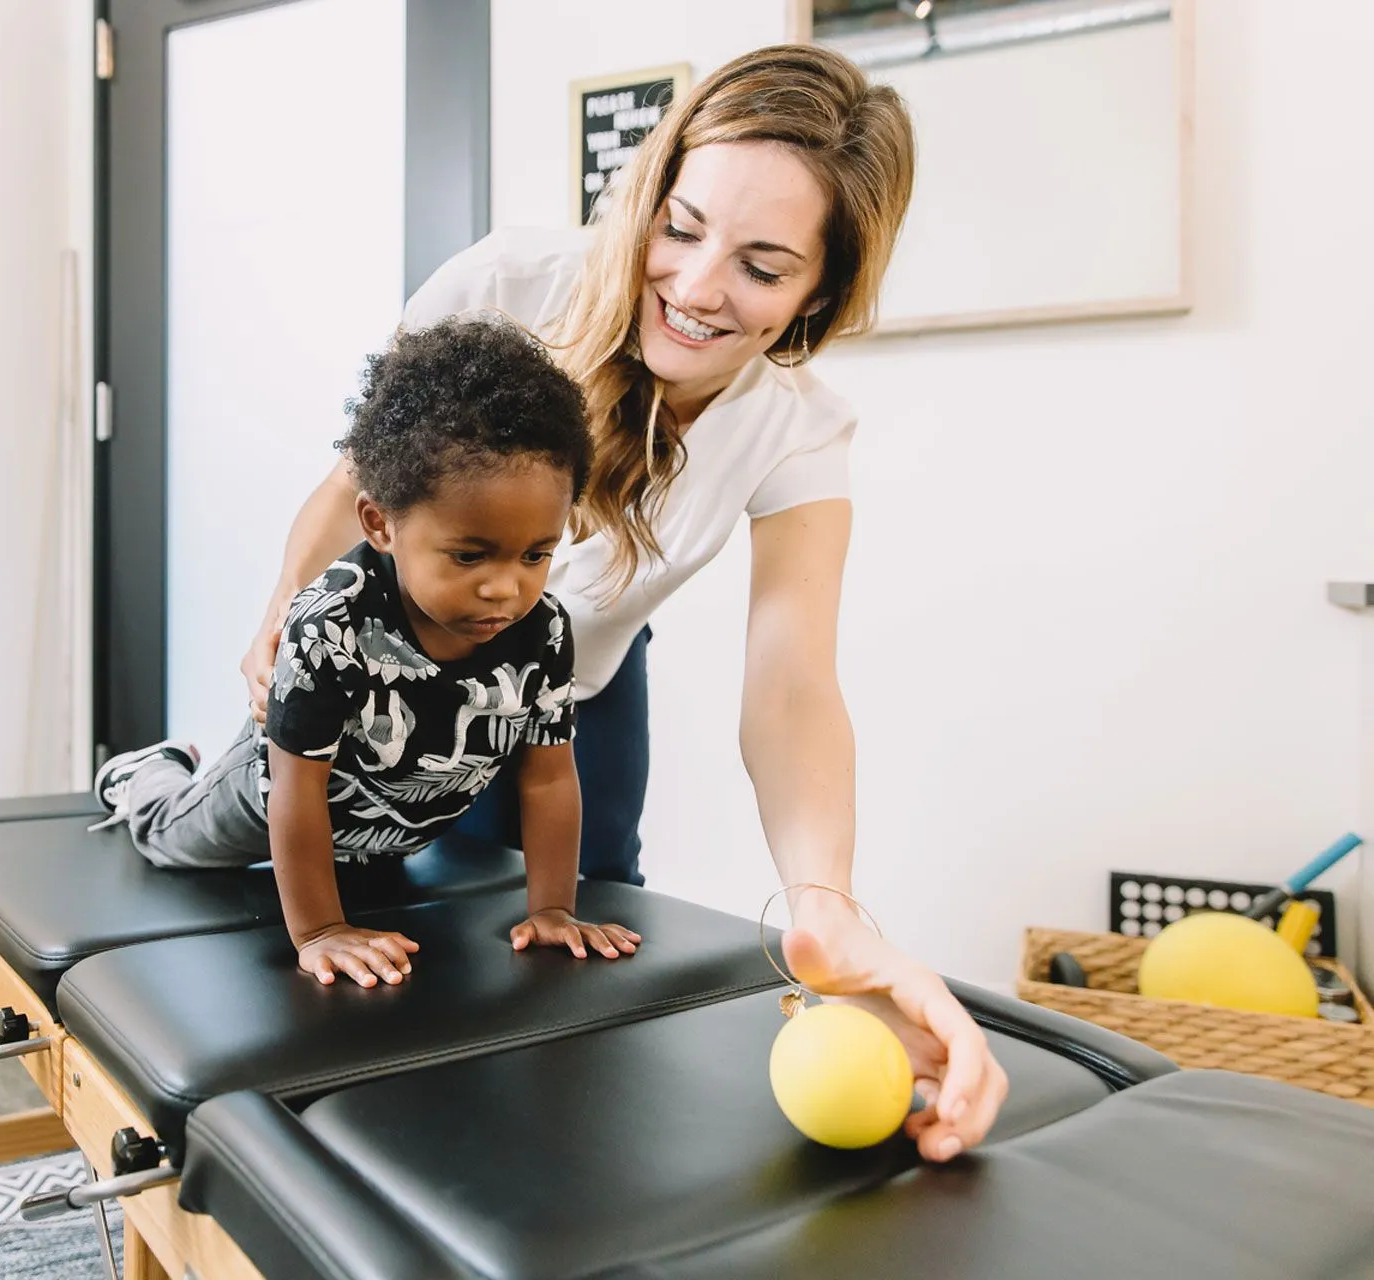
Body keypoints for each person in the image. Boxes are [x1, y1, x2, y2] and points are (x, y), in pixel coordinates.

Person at [239, 44, 1007, 1161]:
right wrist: (286, 625)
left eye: (762, 263)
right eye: (682, 226)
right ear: (648, 192)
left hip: (573, 681)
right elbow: (358, 481)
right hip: (390, 670)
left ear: (817, 291)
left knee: (572, 968)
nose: (697, 287)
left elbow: (792, 682)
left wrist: (824, 902)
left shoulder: (800, 427)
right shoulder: (507, 283)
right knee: (374, 952)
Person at [95, 316, 642, 990]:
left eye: (536, 554)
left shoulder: (546, 632)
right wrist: (321, 930)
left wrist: (553, 908)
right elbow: (297, 790)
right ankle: (149, 772)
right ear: (380, 524)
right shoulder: (333, 621)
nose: (506, 586)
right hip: (267, 794)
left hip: (381, 827)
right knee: (165, 837)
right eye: (469, 555)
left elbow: (549, 778)